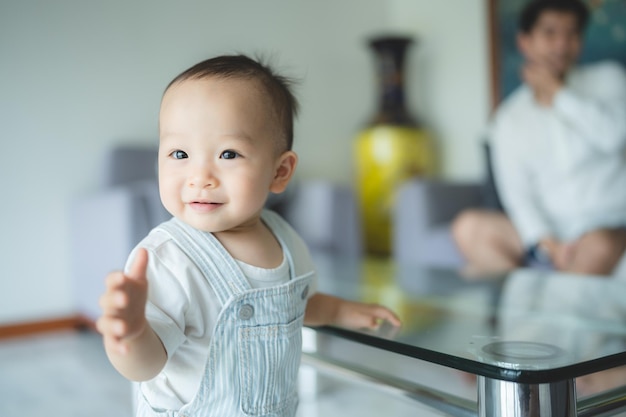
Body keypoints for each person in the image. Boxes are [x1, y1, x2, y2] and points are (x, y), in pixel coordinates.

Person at [96, 55, 401, 416]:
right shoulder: (169, 258)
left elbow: (297, 306)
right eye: (179, 153)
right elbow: (147, 365)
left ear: (280, 171)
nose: (200, 176)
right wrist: (130, 336)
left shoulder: (285, 240)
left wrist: (341, 310)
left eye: (228, 153)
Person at [452, 0, 626, 276]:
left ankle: (553, 310)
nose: (561, 45)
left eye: (571, 34)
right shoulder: (508, 119)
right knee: (469, 227)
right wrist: (550, 245)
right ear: (525, 42)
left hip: (610, 225)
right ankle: (518, 303)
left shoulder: (610, 80)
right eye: (550, 33)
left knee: (598, 245)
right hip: (554, 231)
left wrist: (559, 95)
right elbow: (519, 198)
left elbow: (613, 138)